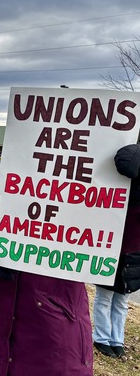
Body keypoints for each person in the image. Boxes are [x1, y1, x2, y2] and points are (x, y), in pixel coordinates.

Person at [0, 194, 93, 375]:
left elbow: (123, 241)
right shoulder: (5, 194)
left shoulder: (85, 200)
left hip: (54, 333)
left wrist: (135, 197)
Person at [92, 143, 140, 358]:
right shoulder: (118, 186)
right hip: (112, 244)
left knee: (120, 299)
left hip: (133, 250)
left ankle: (116, 339)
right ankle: (102, 337)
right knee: (106, 297)